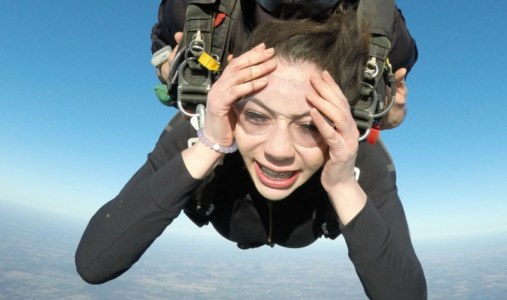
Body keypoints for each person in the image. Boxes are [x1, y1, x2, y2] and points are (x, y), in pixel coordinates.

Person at [76, 7, 427, 299]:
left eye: (309, 127)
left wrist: (342, 184)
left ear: (338, 123)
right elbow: (94, 262)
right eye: (256, 116)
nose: (277, 152)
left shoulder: (351, 155)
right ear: (231, 108)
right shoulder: (206, 130)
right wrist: (210, 146)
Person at [150, 0, 417, 130]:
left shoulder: (379, 28)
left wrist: (390, 112)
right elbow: (161, 43)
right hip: (220, 181)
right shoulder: (198, 8)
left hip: (318, 195)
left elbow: (392, 109)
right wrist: (172, 70)